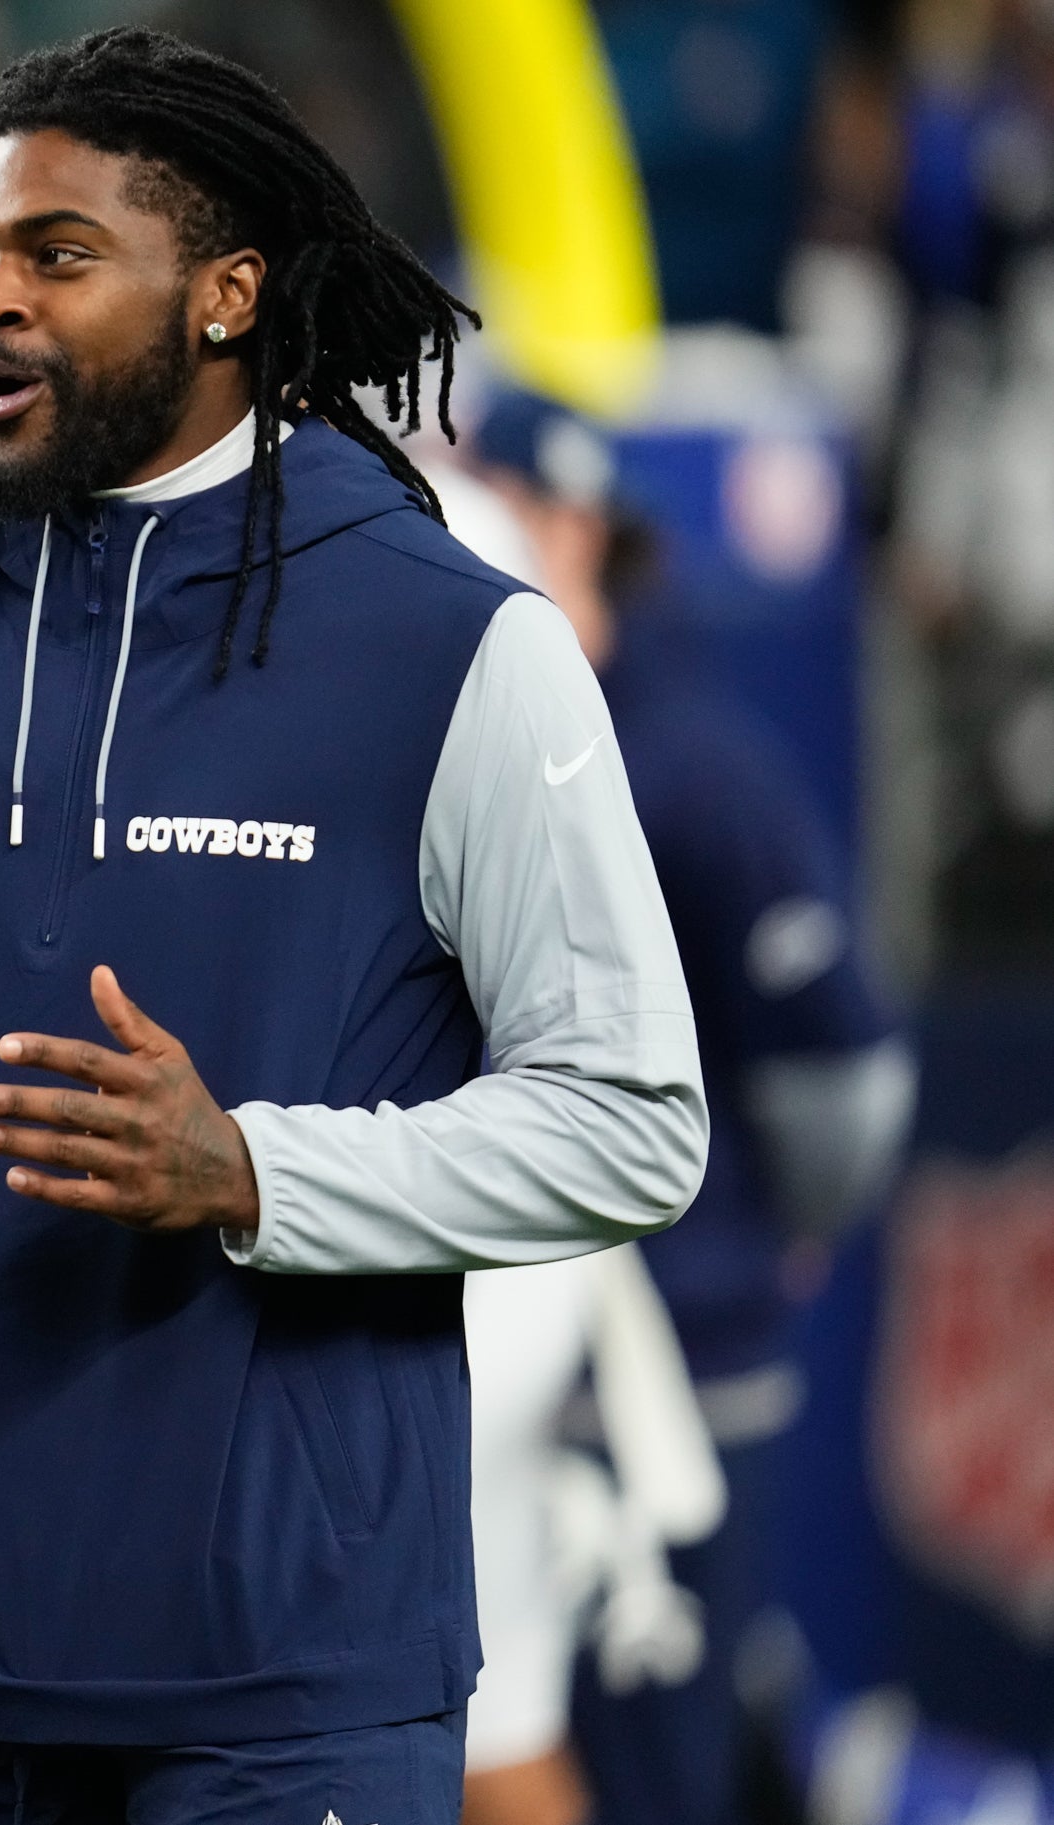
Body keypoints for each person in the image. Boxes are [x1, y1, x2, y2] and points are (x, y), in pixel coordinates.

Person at [0, 28, 709, 1825]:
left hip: (292, 1686)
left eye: (57, 257)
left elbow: (634, 1120)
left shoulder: (452, 640)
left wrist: (256, 1173)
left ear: (225, 294)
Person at [465, 391, 913, 1825]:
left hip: (664, 1345)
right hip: (470, 1348)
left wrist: (735, 1242)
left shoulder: (695, 762)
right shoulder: (432, 739)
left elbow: (840, 1077)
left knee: (652, 1754)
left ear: (572, 523)